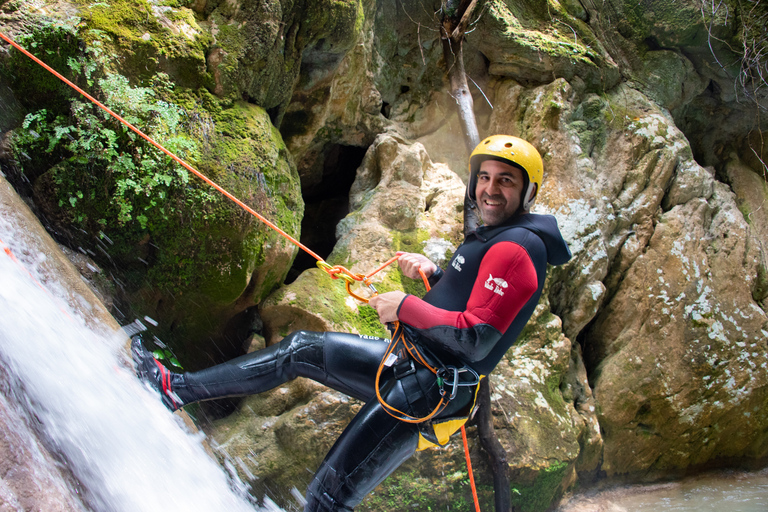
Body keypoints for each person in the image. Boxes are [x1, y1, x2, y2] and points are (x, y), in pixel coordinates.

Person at [131, 134, 571, 511]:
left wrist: (405, 307)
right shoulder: (500, 237)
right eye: (485, 178)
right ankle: (176, 389)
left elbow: (475, 338)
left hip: (429, 392)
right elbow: (472, 300)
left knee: (329, 496)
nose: (490, 189)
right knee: (301, 349)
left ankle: (177, 390)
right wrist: (435, 275)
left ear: (529, 192)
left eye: (506, 181)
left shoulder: (517, 248)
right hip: (414, 365)